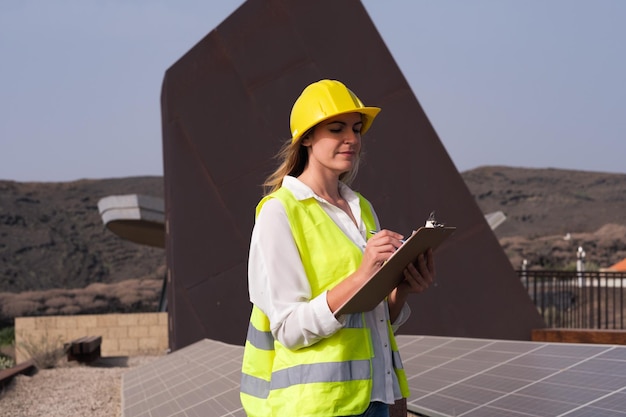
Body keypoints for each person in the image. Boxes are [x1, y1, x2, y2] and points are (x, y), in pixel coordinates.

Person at [240, 79, 435, 417]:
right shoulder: (280, 211)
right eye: (336, 128)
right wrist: (361, 276)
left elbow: (369, 318)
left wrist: (400, 290)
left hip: (376, 399)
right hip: (320, 407)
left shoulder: (362, 209)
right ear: (307, 138)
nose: (352, 139)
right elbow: (288, 327)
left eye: (357, 129)